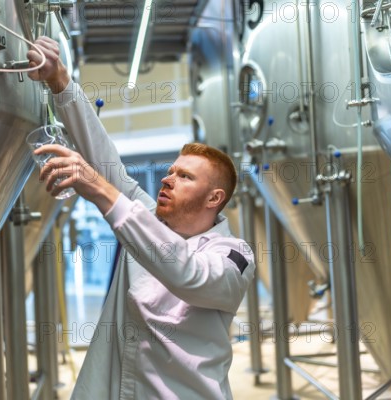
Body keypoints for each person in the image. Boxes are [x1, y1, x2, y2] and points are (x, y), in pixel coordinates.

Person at [27, 36, 256, 400]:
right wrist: (60, 82)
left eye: (184, 177)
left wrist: (101, 191)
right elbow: (104, 161)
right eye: (171, 171)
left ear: (215, 198)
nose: (167, 178)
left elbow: (187, 273)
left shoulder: (234, 256)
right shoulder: (148, 220)